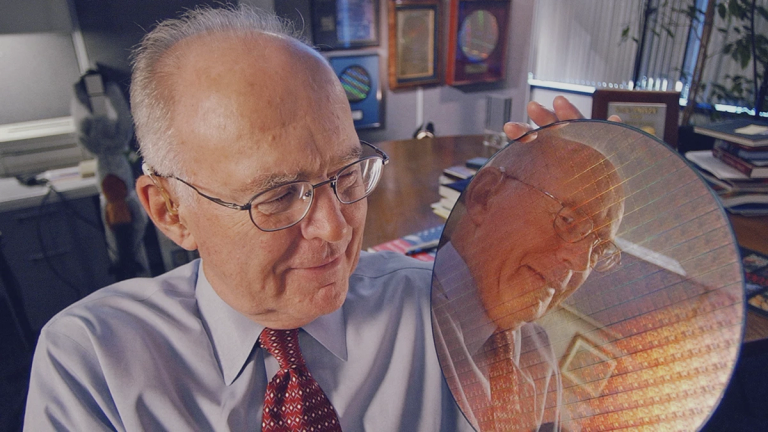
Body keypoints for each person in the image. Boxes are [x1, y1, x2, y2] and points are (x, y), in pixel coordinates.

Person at [23, 5, 593, 431]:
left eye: (347, 175)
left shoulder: (448, 312)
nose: (336, 229)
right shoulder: (93, 365)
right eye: (277, 196)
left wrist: (586, 193)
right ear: (171, 212)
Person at [431, 126, 626, 431]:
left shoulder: (537, 351)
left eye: (599, 248)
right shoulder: (398, 321)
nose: (580, 262)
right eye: (568, 219)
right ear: (484, 197)